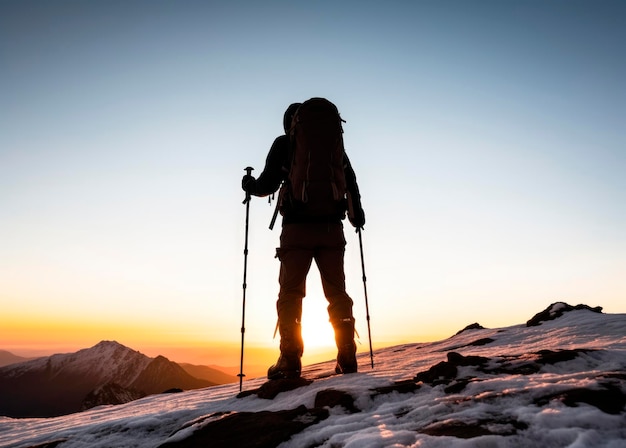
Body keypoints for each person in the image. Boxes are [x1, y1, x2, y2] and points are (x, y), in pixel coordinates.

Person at [242, 100, 365, 380]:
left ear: (292, 124)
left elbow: (267, 184)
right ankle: (347, 353)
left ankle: (289, 358)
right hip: (332, 229)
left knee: (291, 293)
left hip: (296, 230)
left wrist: (250, 187)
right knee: (337, 292)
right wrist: (357, 218)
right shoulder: (334, 148)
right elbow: (350, 182)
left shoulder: (284, 144)